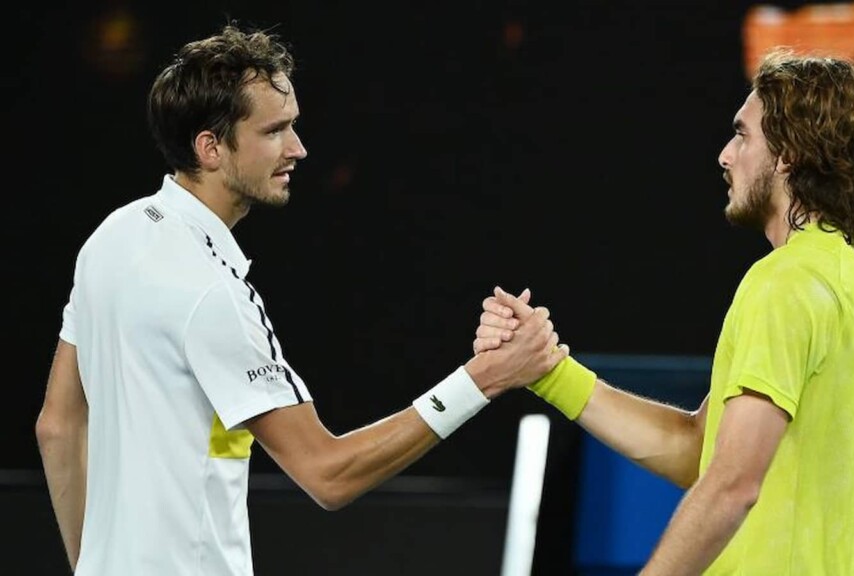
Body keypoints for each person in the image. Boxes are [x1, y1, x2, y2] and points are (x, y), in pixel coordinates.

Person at [34, 23, 567, 576]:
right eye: (275, 131)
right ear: (210, 147)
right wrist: (484, 378)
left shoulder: (112, 238)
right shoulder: (213, 292)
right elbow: (328, 474)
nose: (298, 149)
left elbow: (57, 426)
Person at [475, 47, 854, 574]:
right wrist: (550, 372)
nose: (726, 155)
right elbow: (699, 452)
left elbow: (732, 485)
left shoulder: (784, 282)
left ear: (790, 152)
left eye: (744, 134)